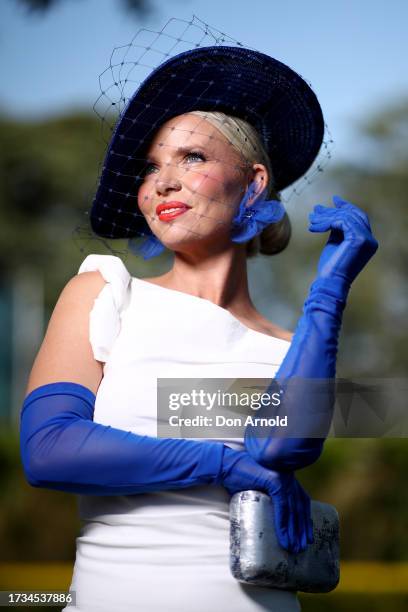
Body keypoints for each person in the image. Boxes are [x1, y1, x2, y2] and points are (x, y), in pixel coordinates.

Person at [19, 44, 377, 611]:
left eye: (190, 158)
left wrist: (329, 293)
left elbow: (283, 449)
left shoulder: (291, 347)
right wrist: (222, 462)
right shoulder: (107, 293)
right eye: (150, 167)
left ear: (254, 183)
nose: (162, 182)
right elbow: (49, 450)